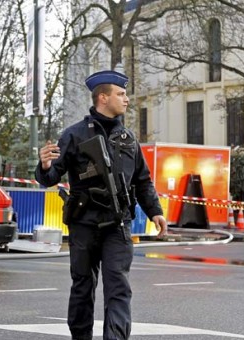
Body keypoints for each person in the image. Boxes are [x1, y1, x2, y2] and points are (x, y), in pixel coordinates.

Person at [34, 69, 167, 340]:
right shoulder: (73, 135)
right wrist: (45, 164)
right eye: (121, 94)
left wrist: (155, 212)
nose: (126, 99)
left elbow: (142, 181)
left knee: (118, 288)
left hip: (117, 226)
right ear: (103, 98)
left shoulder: (129, 139)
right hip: (84, 224)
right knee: (83, 286)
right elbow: (49, 178)